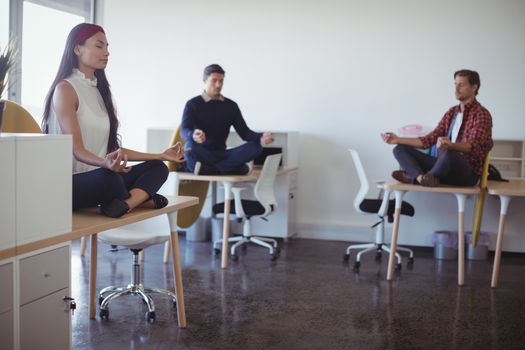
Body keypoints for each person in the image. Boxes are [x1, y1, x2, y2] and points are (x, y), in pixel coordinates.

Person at [42, 23, 186, 218]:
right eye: (99, 46)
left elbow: (113, 153)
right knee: (110, 179)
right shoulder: (65, 89)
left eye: (107, 47)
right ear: (77, 49)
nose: (107, 52)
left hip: (102, 173)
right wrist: (105, 164)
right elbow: (76, 149)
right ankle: (144, 199)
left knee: (158, 168)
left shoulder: (99, 91)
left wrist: (161, 155)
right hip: (70, 183)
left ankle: (126, 203)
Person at [382, 69, 493, 187]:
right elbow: (428, 140)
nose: (456, 89)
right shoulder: (451, 113)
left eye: (462, 85)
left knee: (450, 154)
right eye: (455, 84)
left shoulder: (481, 114)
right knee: (399, 149)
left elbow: (472, 146)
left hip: (466, 173)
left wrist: (450, 145)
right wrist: (397, 139)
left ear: (474, 87)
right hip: (443, 167)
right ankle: (421, 178)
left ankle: (417, 177)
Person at [181, 64, 274, 175]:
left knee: (256, 147)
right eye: (214, 80)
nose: (218, 85)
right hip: (203, 153)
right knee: (189, 147)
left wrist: (260, 137)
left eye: (221, 81)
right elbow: (184, 130)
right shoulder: (193, 104)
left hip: (223, 154)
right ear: (204, 80)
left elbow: (245, 133)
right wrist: (193, 135)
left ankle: (214, 169)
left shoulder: (231, 106)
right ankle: (232, 168)